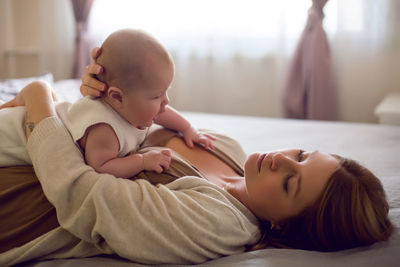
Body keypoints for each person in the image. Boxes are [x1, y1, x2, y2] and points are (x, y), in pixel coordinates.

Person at [0, 74, 393, 265]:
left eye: (291, 182)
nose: (282, 160)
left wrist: (40, 102)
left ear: (285, 228)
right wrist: (108, 91)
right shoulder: (228, 149)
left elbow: (80, 197)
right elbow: (131, 123)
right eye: (303, 154)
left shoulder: (217, 222)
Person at [0, 29, 215, 178]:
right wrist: (142, 161)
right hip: (11, 136)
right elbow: (101, 166)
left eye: (165, 92)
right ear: (117, 97)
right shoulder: (104, 129)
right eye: (157, 96)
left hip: (42, 113)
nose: (165, 101)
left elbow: (162, 113)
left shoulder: (132, 106)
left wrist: (188, 128)